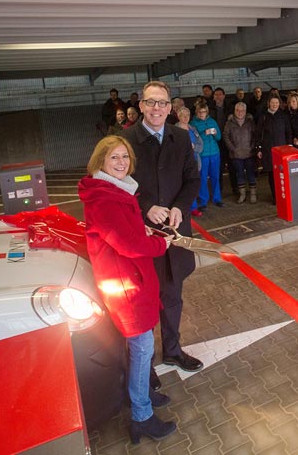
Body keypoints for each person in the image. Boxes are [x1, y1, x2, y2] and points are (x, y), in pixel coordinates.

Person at [78, 135, 176, 443]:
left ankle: (143, 393)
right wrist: (160, 242)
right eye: (114, 159)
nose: (121, 163)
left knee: (140, 346)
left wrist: (143, 228)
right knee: (142, 346)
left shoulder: (115, 190)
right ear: (100, 163)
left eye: (124, 157)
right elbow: (127, 243)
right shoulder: (104, 197)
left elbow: (125, 230)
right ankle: (142, 416)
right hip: (125, 286)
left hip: (130, 280)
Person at [122, 81, 203, 383]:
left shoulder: (180, 138)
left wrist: (181, 206)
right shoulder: (125, 140)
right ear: (141, 105)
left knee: (172, 295)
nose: (157, 108)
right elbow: (115, 184)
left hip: (174, 232)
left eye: (162, 103)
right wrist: (145, 206)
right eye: (151, 102)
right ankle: (144, 363)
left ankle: (172, 350)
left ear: (170, 108)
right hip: (141, 234)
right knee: (142, 301)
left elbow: (192, 179)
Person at [257, 96, 292, 204]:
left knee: (283, 173)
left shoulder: (283, 116)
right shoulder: (263, 116)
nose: (274, 105)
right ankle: (276, 197)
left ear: (279, 103)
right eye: (272, 102)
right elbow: (258, 134)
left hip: (282, 150)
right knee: (272, 174)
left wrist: (289, 146)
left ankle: (285, 195)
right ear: (268, 103)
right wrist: (259, 148)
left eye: (276, 102)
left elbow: (288, 131)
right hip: (269, 150)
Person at [191, 102, 223, 210]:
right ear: (196, 112)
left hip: (214, 152)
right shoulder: (193, 124)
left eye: (204, 112)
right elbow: (194, 139)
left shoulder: (212, 121)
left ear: (207, 112)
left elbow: (219, 137)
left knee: (215, 176)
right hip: (202, 154)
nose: (201, 114)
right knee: (203, 177)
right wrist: (204, 133)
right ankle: (203, 201)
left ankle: (217, 198)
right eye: (199, 112)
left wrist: (214, 133)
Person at [224, 102, 258, 203]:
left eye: (242, 110)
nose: (239, 112)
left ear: (245, 111)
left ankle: (253, 194)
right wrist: (232, 148)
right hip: (236, 154)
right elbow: (225, 136)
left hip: (249, 153)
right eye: (237, 110)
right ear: (234, 111)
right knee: (239, 174)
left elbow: (255, 135)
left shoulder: (250, 122)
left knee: (251, 174)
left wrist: (252, 146)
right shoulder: (229, 122)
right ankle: (242, 194)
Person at [175, 107, 203, 217]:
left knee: (193, 184)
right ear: (178, 116)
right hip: (181, 162)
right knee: (183, 185)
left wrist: (194, 147)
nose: (186, 118)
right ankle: (184, 208)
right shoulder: (174, 129)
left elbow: (200, 145)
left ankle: (194, 207)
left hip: (195, 161)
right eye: (183, 115)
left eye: (188, 115)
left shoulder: (192, 128)